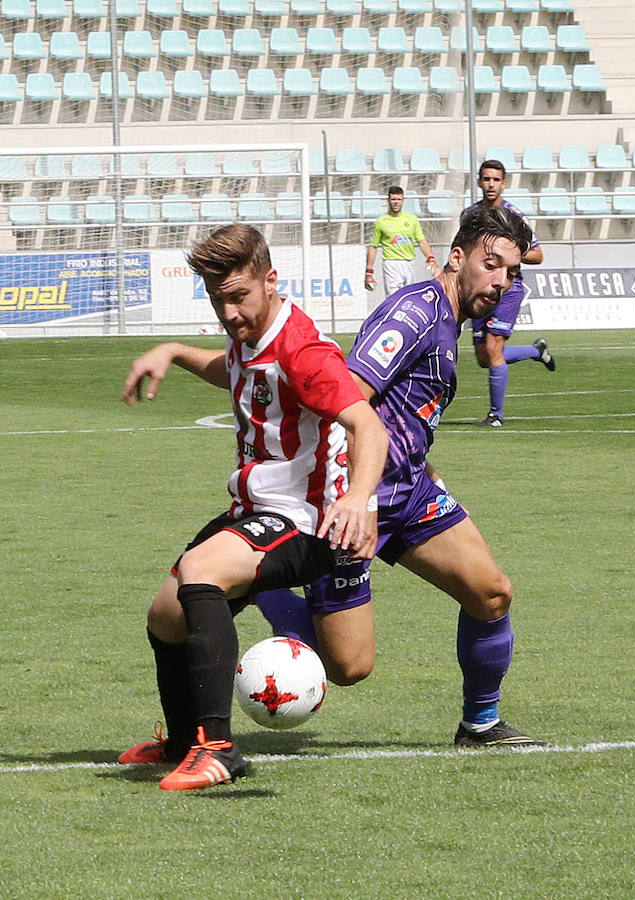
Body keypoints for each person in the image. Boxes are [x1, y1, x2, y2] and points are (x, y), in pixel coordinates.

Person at [257, 204, 548, 749]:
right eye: (492, 264)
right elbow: (348, 399)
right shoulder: (413, 313)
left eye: (511, 272)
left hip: (408, 491)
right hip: (355, 499)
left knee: (491, 593)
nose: (501, 281)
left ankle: (480, 725)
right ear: (457, 257)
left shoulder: (449, 321)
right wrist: (358, 498)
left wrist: (427, 471)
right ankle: (260, 587)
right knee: (347, 667)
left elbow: (405, 413)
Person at [118, 224, 389, 792]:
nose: (230, 312)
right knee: (166, 615)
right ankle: (180, 740)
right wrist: (172, 351)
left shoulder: (302, 349)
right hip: (257, 508)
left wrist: (359, 502)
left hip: (307, 523)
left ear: (270, 281)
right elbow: (233, 371)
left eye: (238, 296)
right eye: (219, 300)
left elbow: (368, 424)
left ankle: (217, 750)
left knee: (199, 573)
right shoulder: (250, 334)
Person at [465, 160, 555, 428]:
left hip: (507, 288)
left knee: (493, 348)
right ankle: (536, 351)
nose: (491, 184)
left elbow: (537, 254)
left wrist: (508, 253)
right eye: (486, 179)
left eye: (496, 179)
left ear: (503, 183)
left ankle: (496, 415)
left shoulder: (513, 216)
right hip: (480, 289)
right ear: (479, 182)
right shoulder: (470, 215)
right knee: (484, 357)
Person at [365, 186, 439, 296]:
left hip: (409, 262)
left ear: (403, 200)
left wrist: (430, 256)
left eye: (398, 199)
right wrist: (369, 270)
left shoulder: (412, 219)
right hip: (391, 263)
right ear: (388, 200)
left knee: (408, 297)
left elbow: (421, 241)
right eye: (393, 199)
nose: (396, 202)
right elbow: (373, 246)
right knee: (393, 298)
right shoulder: (381, 222)